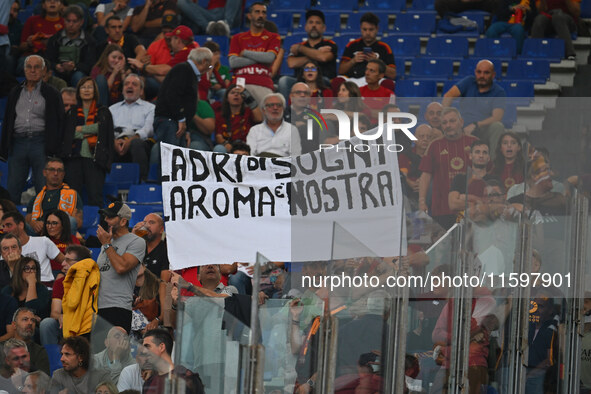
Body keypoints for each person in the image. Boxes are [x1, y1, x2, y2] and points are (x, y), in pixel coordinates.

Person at [0, 54, 65, 204]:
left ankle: (44, 223)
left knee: (43, 187)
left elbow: (60, 121)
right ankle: (11, 223)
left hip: (41, 143)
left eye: (37, 67)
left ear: (43, 71)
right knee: (12, 187)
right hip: (18, 143)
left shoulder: (52, 93)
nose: (33, 70)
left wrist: (55, 147)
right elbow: (9, 120)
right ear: (24, 70)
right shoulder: (15, 92)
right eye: (29, 67)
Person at [418, 107, 478, 229]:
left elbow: (485, 173)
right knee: (443, 246)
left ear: (461, 122)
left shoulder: (475, 143)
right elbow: (425, 176)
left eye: (452, 121)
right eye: (444, 123)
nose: (448, 125)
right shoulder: (434, 145)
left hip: (470, 209)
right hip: (441, 209)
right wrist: (422, 201)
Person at [152, 47, 213, 164]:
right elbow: (172, 96)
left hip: (176, 123)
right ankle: (166, 183)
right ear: (204, 62)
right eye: (209, 66)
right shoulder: (183, 69)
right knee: (170, 161)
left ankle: (173, 183)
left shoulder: (188, 71)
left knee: (177, 162)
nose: (208, 69)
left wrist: (187, 129)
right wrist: (180, 118)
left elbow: (185, 103)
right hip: (169, 121)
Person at [62, 77, 115, 207]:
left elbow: (103, 129)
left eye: (90, 87)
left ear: (95, 90)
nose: (86, 90)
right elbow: (69, 134)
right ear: (78, 91)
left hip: (95, 160)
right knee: (73, 199)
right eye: (83, 87)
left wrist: (81, 129)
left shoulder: (103, 111)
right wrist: (93, 130)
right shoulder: (72, 111)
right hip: (74, 158)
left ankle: (97, 227)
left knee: (95, 198)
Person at [96, 202, 146, 333]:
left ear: (123, 221)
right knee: (99, 353)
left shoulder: (136, 242)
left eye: (111, 217)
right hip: (98, 307)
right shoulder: (107, 242)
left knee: (116, 352)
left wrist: (106, 244)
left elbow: (121, 267)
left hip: (118, 307)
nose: (106, 220)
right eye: (106, 216)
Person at [442, 59, 506, 157]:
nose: (482, 76)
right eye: (479, 72)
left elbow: (497, 117)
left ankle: (492, 164)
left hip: (483, 129)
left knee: (498, 126)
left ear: (493, 75)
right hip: (461, 128)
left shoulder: (499, 92)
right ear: (475, 72)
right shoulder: (469, 81)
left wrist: (476, 125)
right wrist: (446, 117)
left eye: (486, 73)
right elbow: (448, 96)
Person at [228, 2, 281, 104]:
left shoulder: (274, 37)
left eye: (263, 13)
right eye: (257, 12)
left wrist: (245, 52)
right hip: (240, 83)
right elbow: (233, 62)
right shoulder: (237, 38)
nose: (261, 15)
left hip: (263, 83)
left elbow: (269, 58)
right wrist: (260, 59)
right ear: (249, 16)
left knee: (268, 114)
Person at [278, 9, 338, 99]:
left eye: (317, 23)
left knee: (324, 80)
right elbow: (291, 63)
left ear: (324, 28)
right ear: (306, 27)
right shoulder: (298, 46)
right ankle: (288, 112)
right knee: (284, 81)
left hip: (322, 81)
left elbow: (323, 58)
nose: (314, 25)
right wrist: (316, 53)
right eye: (311, 22)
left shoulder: (330, 44)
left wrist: (301, 49)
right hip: (300, 81)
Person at [39, 245, 91, 345]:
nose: (62, 264)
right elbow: (54, 312)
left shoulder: (93, 282)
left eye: (68, 260)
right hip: (65, 326)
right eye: (63, 260)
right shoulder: (60, 283)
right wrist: (61, 316)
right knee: (47, 323)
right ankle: (52, 359)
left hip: (87, 325)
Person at [109, 73, 155, 181]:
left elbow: (149, 129)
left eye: (134, 84)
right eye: (126, 84)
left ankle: (141, 182)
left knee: (136, 143)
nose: (130, 86)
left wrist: (131, 140)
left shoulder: (150, 108)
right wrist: (113, 142)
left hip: (140, 142)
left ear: (141, 91)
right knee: (104, 144)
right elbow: (107, 130)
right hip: (117, 141)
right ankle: (106, 183)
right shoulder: (112, 109)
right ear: (123, 89)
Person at [2, 211, 65, 285]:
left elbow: (66, 261)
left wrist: (61, 274)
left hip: (45, 287)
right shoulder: (5, 250)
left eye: (9, 225)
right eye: (3, 226)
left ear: (21, 225)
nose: (5, 230)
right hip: (20, 288)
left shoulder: (43, 241)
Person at [336, 12, 396, 90]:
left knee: (389, 83)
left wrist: (378, 62)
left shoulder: (384, 47)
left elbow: (393, 74)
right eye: (364, 29)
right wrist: (353, 61)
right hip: (353, 81)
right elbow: (340, 71)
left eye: (371, 29)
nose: (367, 33)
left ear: (377, 29)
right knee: (337, 81)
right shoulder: (352, 45)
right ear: (360, 28)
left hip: (376, 81)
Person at [25, 157, 83, 236]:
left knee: (71, 221)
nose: (56, 173)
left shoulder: (73, 194)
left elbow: (78, 222)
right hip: (40, 233)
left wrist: (58, 224)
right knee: (19, 225)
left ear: (63, 174)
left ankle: (64, 247)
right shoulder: (36, 198)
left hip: (61, 232)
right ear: (45, 172)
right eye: (52, 170)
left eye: (59, 170)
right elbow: (28, 219)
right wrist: (34, 223)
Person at [131, 213, 170, 330]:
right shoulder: (136, 247)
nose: (146, 226)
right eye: (144, 222)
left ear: (161, 229)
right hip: (130, 301)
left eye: (151, 223)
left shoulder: (165, 251)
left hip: (152, 304)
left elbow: (165, 285)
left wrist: (161, 317)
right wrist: (133, 236)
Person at [45, 5, 97, 87]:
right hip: (58, 71)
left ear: (81, 22)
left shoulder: (89, 41)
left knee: (79, 76)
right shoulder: (55, 39)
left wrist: (74, 67)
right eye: (68, 21)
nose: (71, 24)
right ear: (63, 21)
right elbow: (47, 60)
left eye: (74, 21)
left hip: (78, 72)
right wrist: (56, 66)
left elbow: (90, 65)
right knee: (50, 75)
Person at [128, 25, 198, 84]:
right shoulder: (191, 50)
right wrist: (150, 70)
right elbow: (168, 80)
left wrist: (142, 66)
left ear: (178, 41)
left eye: (172, 39)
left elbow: (163, 70)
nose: (170, 41)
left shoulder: (186, 53)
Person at [448, 140, 498, 219]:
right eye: (477, 152)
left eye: (484, 153)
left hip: (488, 225)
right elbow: (453, 204)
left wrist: (466, 198)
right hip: (463, 224)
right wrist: (478, 202)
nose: (481, 155)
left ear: (488, 158)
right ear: (470, 156)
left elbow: (497, 206)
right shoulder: (460, 178)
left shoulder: (495, 180)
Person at [17, 0, 64, 71]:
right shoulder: (32, 20)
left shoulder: (66, 23)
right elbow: (21, 46)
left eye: (56, 0)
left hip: (54, 59)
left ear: (61, 5)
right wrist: (30, 44)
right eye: (48, 0)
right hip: (32, 56)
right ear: (43, 5)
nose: (52, 2)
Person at [1, 308, 50, 375]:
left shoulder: (40, 352)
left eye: (33, 320)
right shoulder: (1, 348)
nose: (30, 323)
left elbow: (42, 381)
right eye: (25, 319)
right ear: (14, 325)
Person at [214, 84, 262, 153]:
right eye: (232, 93)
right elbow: (218, 136)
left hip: (246, 147)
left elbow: (259, 118)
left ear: (243, 98)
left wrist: (246, 94)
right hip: (228, 147)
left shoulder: (248, 112)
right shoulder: (220, 115)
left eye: (240, 93)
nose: (236, 95)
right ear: (227, 98)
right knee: (219, 148)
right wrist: (225, 143)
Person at [40, 210, 81, 278]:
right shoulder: (41, 240)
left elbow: (77, 262)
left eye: (54, 223)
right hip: (45, 274)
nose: (50, 227)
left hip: (66, 274)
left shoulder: (72, 240)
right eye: (48, 223)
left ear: (63, 225)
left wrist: (62, 272)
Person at [176, 0, 241, 35]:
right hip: (208, 17)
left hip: (227, 15)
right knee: (182, 2)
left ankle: (226, 25)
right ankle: (208, 27)